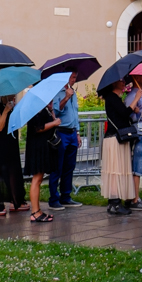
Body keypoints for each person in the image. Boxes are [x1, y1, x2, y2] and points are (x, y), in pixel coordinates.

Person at [0, 95, 26, 215]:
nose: (13, 95)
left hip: (10, 143)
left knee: (14, 172)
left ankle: (16, 200)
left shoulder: (10, 105)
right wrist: (7, 111)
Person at [99, 80, 135, 215]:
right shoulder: (112, 98)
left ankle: (114, 201)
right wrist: (136, 99)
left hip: (116, 138)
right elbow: (124, 114)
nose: (124, 82)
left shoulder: (114, 98)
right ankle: (115, 202)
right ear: (114, 83)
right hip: (115, 138)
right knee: (115, 169)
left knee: (117, 168)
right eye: (121, 81)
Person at [23, 100, 61, 223]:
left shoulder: (43, 109)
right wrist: (54, 122)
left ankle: (37, 210)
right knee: (37, 179)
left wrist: (51, 110)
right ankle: (35, 212)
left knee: (39, 179)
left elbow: (50, 122)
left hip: (42, 146)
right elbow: (38, 128)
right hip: (37, 148)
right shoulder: (34, 109)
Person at [48, 72, 81, 211]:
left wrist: (78, 132)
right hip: (61, 132)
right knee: (58, 167)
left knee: (69, 166)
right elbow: (56, 110)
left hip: (72, 132)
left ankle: (65, 196)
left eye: (75, 77)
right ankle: (54, 198)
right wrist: (66, 97)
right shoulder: (58, 92)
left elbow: (75, 114)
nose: (74, 79)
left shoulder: (73, 93)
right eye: (72, 77)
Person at [123, 74, 142, 211]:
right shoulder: (132, 95)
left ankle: (135, 196)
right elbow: (129, 114)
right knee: (137, 165)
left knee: (141, 164)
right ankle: (134, 198)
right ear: (136, 78)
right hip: (138, 133)